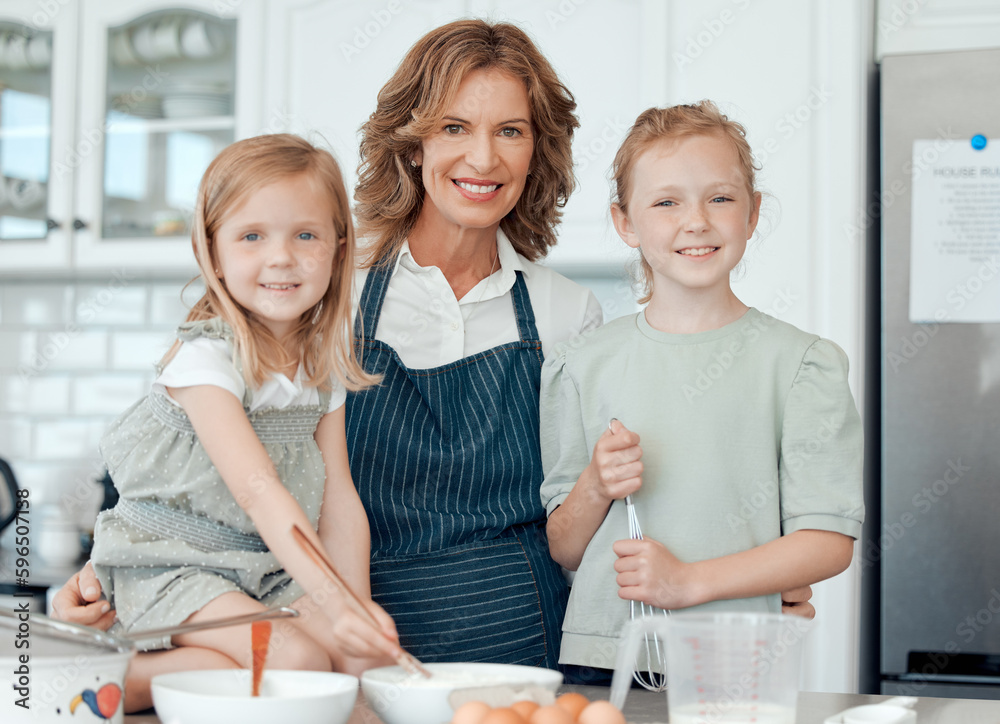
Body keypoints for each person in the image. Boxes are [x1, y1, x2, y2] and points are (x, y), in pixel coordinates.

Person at [538, 101, 864, 678]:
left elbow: (827, 541)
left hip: (736, 657)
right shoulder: (578, 365)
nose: (697, 221)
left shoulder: (801, 365)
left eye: (720, 197)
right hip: (605, 660)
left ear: (753, 212)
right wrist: (596, 483)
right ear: (625, 221)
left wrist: (689, 582)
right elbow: (563, 547)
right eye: (666, 202)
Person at [83, 134, 402, 711]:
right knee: (299, 661)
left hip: (260, 568)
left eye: (305, 235)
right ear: (213, 251)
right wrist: (330, 601)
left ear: (338, 246)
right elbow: (260, 493)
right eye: (252, 236)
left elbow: (340, 502)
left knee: (364, 659)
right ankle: (110, 673)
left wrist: (354, 607)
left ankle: (189, 668)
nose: (281, 257)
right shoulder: (206, 359)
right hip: (171, 562)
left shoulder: (320, 366)